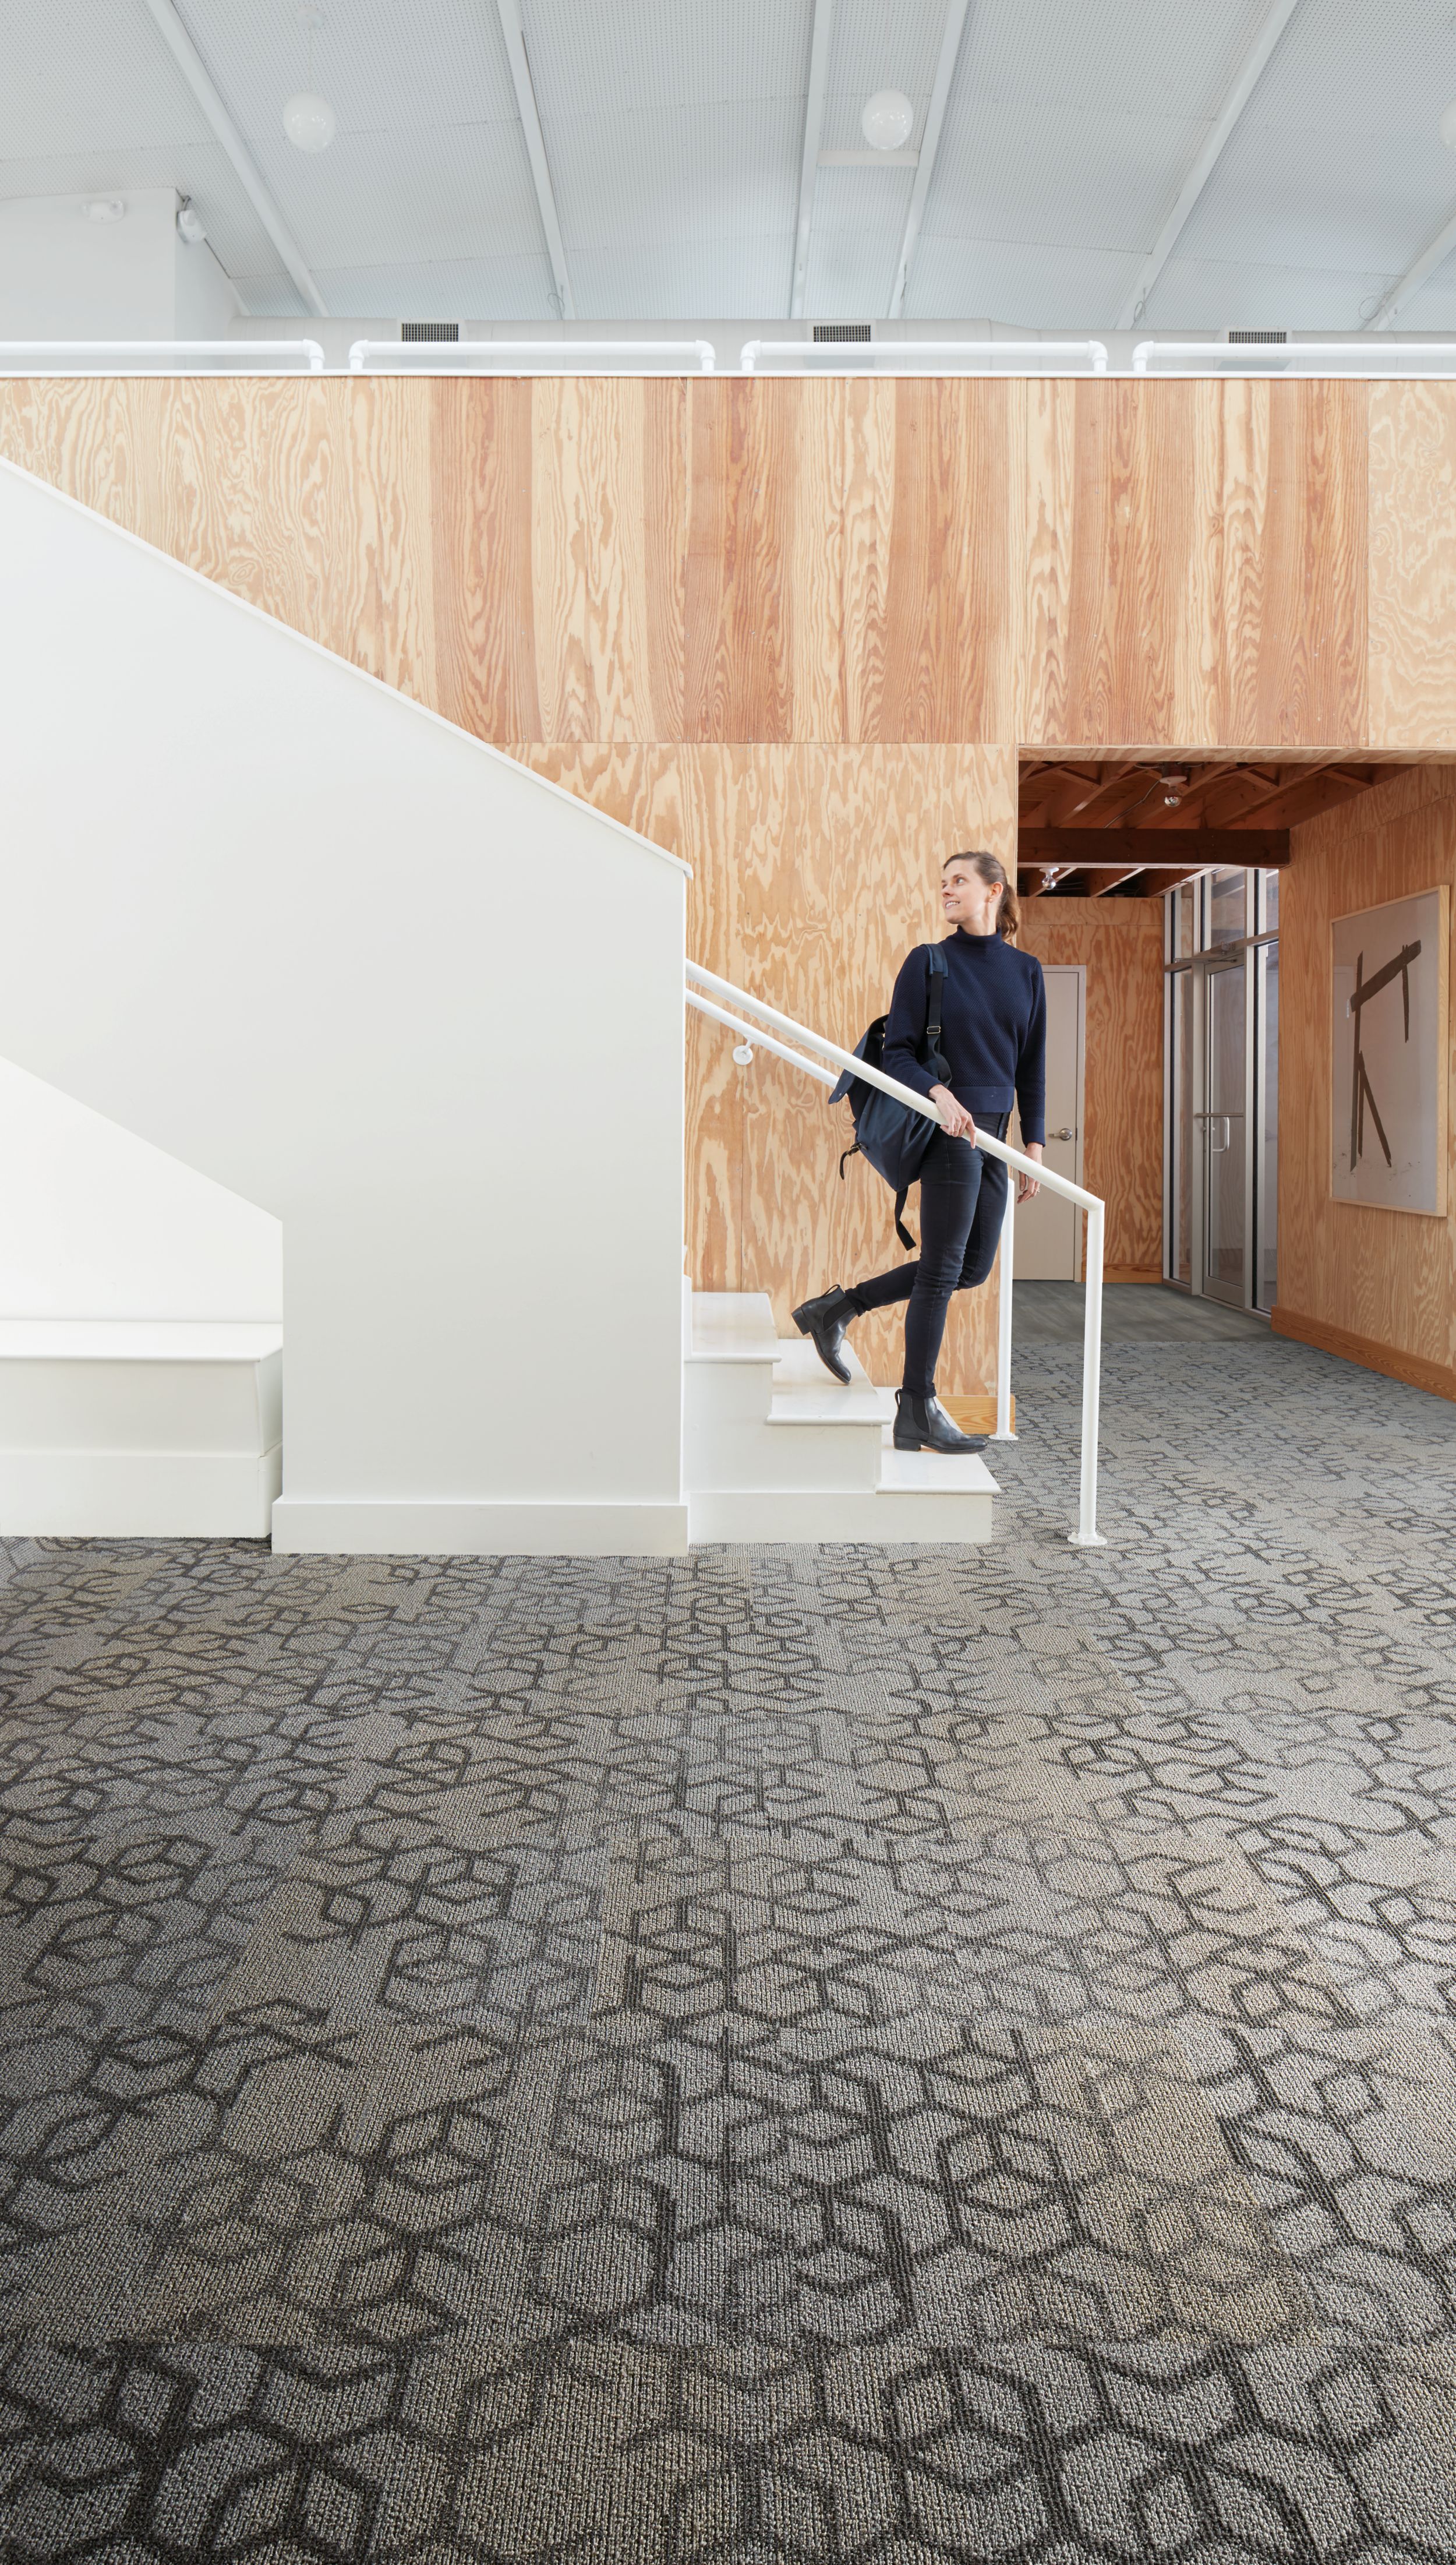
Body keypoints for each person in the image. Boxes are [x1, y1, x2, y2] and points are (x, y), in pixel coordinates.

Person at [793, 851, 1046, 1455]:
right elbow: (897, 1052)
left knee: (972, 1267)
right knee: (940, 1266)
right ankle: (917, 1405)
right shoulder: (929, 963)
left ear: (993, 891)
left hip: (994, 1135)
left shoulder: (1026, 970)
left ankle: (839, 1306)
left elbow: (1031, 1065)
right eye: (942, 883)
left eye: (959, 881)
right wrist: (940, 1095)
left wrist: (1032, 1142)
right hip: (946, 1130)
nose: (947, 890)